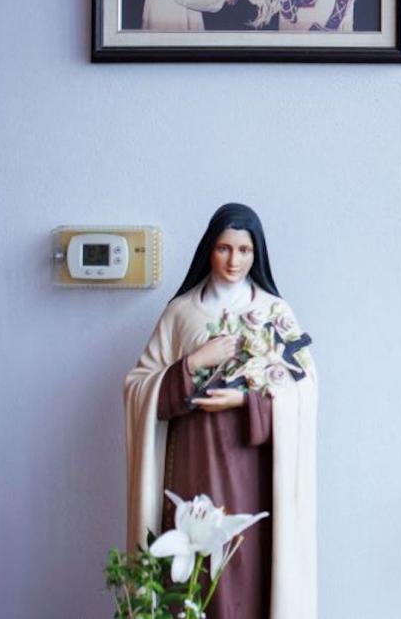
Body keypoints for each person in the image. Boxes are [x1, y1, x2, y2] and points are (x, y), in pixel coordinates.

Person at [125, 203, 317, 619]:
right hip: (193, 460)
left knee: (247, 566)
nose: (234, 261)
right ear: (209, 250)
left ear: (257, 254)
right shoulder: (181, 313)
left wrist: (247, 401)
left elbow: (304, 393)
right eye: (224, 249)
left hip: (251, 469)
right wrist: (192, 364)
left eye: (244, 250)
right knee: (194, 571)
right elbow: (139, 387)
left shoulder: (274, 313)